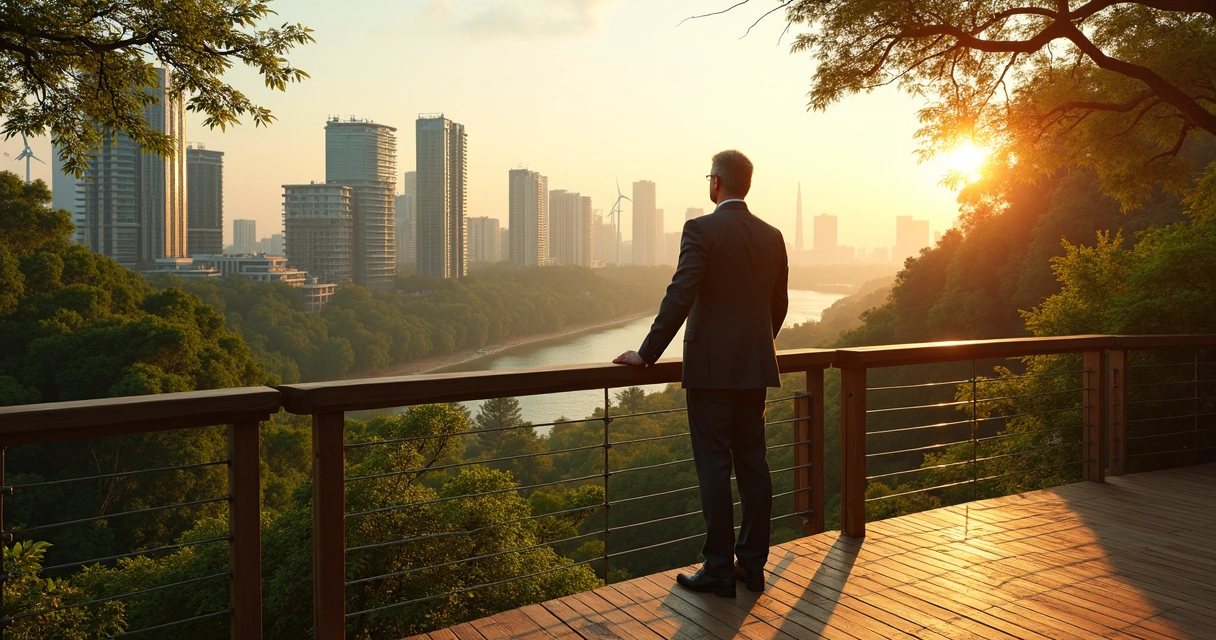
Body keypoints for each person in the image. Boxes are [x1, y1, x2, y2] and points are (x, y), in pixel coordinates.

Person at [614, 149, 788, 598]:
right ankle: (752, 566)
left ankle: (718, 570)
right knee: (753, 466)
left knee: (713, 467)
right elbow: (778, 305)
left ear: (716, 183)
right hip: (754, 369)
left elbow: (681, 294)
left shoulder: (701, 229)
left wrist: (647, 353)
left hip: (710, 372)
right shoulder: (772, 235)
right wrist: (755, 345)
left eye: (708, 177)